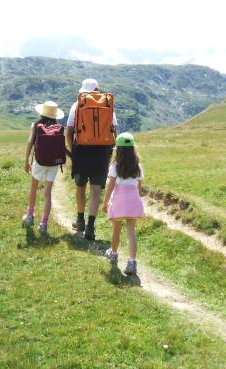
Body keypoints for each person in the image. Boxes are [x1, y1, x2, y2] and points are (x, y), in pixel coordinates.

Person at [66, 78, 117, 240]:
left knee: (80, 186)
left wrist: (72, 151)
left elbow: (69, 131)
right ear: (97, 89)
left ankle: (80, 220)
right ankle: (90, 227)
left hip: (81, 150)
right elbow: (114, 130)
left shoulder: (77, 105)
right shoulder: (107, 105)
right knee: (95, 191)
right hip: (101, 152)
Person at [101, 132, 144, 275]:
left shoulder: (115, 166)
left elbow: (110, 186)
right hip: (133, 201)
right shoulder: (138, 167)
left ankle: (113, 254)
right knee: (131, 233)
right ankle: (132, 262)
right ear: (133, 150)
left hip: (119, 201)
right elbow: (139, 188)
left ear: (117, 150)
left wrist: (105, 202)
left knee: (116, 230)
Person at [22, 101, 65, 234]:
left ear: (42, 113)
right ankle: (44, 223)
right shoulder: (59, 127)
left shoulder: (36, 125)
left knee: (34, 188)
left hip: (39, 162)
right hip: (53, 164)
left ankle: (30, 216)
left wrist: (26, 160)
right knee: (47, 193)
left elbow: (30, 142)